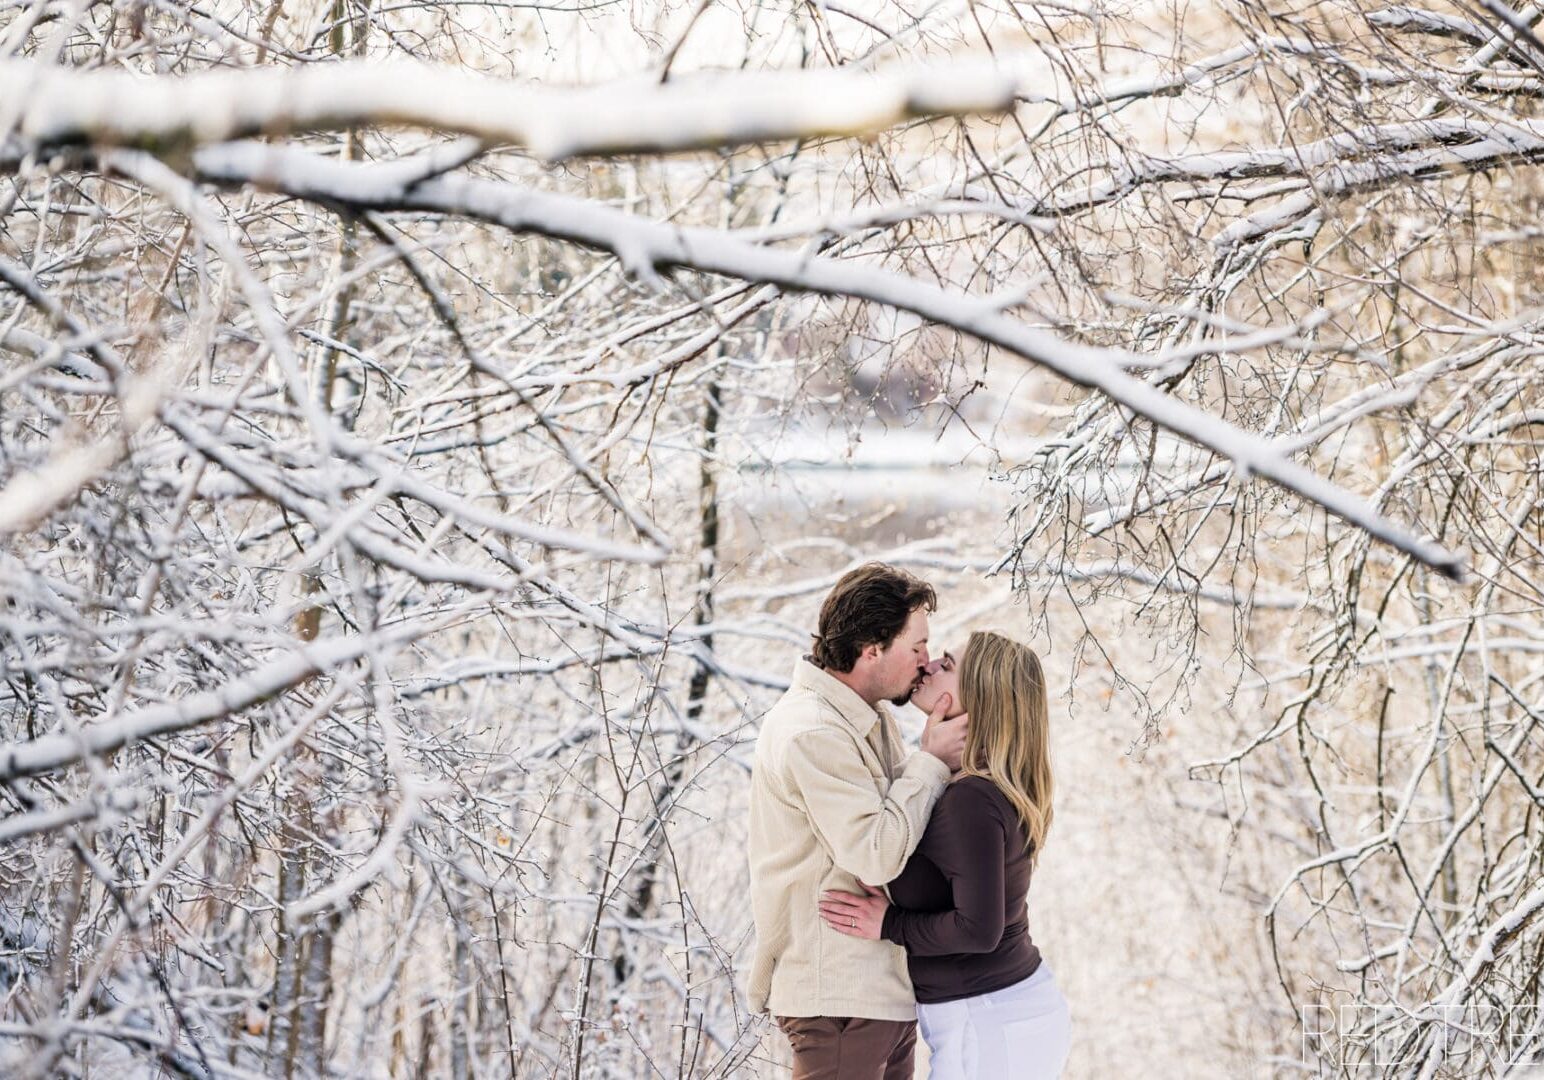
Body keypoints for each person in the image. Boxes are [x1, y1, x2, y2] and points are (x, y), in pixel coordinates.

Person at [747, 562, 970, 1080]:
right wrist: (931, 762)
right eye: (916, 647)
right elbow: (874, 852)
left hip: (880, 994)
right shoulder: (812, 732)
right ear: (872, 647)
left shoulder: (871, 721)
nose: (925, 661)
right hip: (840, 997)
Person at [817, 630, 1070, 1079]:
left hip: (992, 1018)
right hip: (991, 1014)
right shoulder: (964, 786)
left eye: (948, 665)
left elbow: (978, 930)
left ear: (978, 699)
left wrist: (888, 924)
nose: (930, 664)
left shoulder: (971, 798)